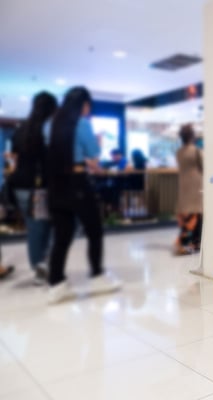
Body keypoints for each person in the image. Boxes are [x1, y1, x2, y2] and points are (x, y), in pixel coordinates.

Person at [46, 86, 121, 303]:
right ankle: (97, 274)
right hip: (77, 184)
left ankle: (56, 283)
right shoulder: (82, 124)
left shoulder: (51, 125)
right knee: (94, 230)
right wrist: (96, 145)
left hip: (55, 185)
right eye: (88, 105)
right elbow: (94, 156)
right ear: (83, 105)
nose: (88, 110)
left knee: (62, 236)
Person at [10, 91, 57, 284]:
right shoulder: (48, 130)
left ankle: (39, 267)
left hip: (20, 185)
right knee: (45, 228)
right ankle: (42, 267)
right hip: (40, 187)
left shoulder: (21, 128)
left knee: (35, 229)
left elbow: (14, 156)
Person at [174, 124, 203, 255]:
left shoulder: (179, 152)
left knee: (187, 214)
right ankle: (194, 242)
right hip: (196, 184)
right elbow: (203, 166)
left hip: (183, 184)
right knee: (197, 213)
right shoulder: (196, 151)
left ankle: (186, 241)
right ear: (192, 136)